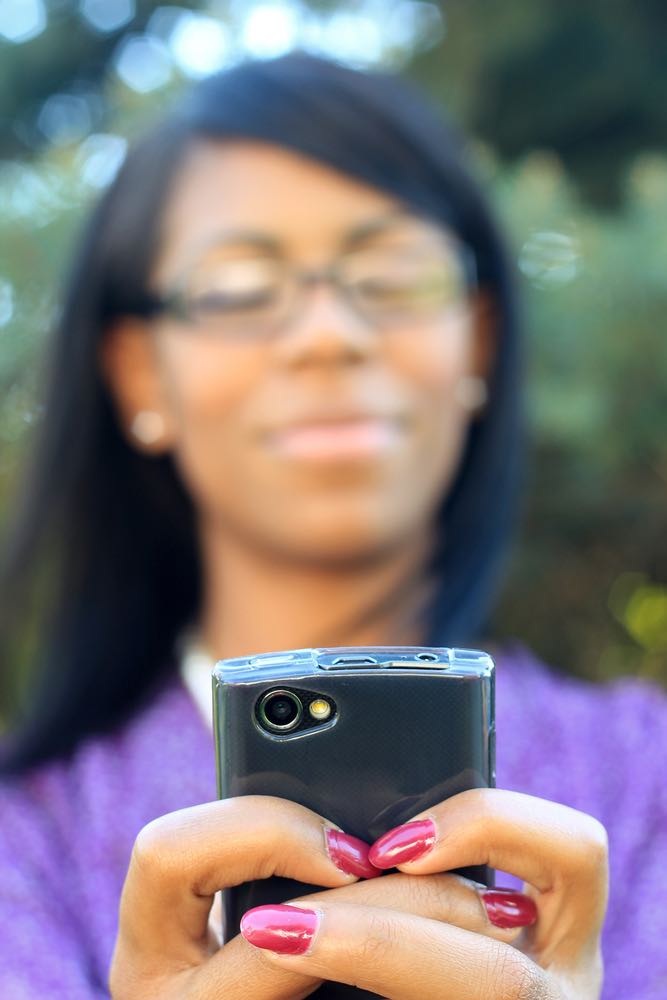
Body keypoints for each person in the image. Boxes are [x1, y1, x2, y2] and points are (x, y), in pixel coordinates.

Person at [0, 52, 664, 1000]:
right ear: (141, 374)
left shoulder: (649, 778)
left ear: (474, 341)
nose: (328, 334)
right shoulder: (24, 843)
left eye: (393, 274)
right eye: (238, 288)